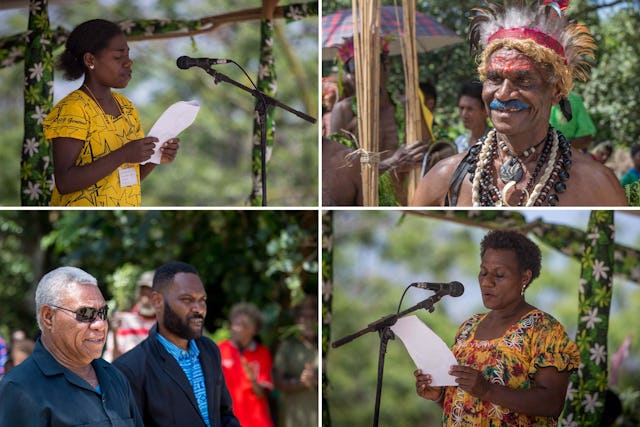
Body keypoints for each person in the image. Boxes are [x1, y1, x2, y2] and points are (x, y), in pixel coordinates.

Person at [411, 0, 628, 206]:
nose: (504, 94)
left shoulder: (597, 185)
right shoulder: (443, 178)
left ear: (556, 91)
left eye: (523, 80)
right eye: (494, 79)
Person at [414, 230, 580, 426]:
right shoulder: (468, 327)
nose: (486, 282)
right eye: (483, 272)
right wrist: (439, 396)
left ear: (525, 277)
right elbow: (468, 404)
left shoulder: (544, 329)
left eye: (499, 275)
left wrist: (488, 390)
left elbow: (552, 403)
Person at [42, 19, 180, 206]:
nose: (128, 62)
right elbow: (65, 182)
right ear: (90, 60)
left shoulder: (127, 107)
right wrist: (122, 154)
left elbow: (130, 175)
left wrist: (157, 157)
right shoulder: (73, 108)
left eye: (128, 55)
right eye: (118, 57)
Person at [0, 266, 143, 426]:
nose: (100, 324)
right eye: (86, 314)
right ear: (48, 317)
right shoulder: (21, 388)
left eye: (103, 313)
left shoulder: (114, 377)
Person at [113, 261, 240, 427]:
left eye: (202, 300)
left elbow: (224, 414)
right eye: (187, 299)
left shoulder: (209, 351)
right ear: (157, 301)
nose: (198, 309)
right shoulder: (131, 368)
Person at [328, 37, 428, 205]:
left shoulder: (408, 106)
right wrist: (390, 163)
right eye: (354, 67)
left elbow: (426, 151)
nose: (364, 73)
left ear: (385, 65)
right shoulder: (344, 111)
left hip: (406, 199)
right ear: (349, 75)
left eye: (371, 64)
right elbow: (337, 169)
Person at [218, 303, 274, 427]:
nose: (237, 329)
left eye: (243, 325)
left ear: (254, 329)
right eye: (235, 324)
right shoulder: (219, 350)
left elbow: (261, 393)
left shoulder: (262, 353)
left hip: (257, 421)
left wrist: (253, 379)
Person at [274, 295, 318, 427]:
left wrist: (315, 379)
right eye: (303, 317)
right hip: (294, 416)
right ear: (296, 320)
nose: (308, 321)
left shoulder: (323, 345)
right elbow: (279, 383)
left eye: (312, 317)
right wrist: (303, 382)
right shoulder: (287, 346)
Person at [104, 270, 157, 362]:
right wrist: (115, 333)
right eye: (143, 294)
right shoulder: (123, 320)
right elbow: (113, 362)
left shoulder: (166, 325)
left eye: (150, 295)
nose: (145, 300)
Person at [453, 80, 490, 153]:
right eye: (461, 108)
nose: (464, 114)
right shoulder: (459, 143)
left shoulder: (497, 142)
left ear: (486, 111)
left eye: (470, 109)